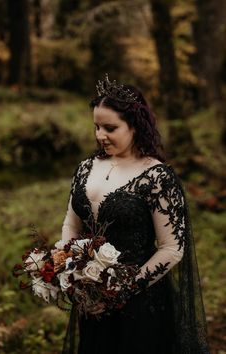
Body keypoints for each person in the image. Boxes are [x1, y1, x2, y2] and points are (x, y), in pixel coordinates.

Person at [59, 74, 210, 354]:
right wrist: (70, 267)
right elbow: (71, 222)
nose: (99, 135)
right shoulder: (85, 167)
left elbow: (172, 248)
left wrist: (121, 291)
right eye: (96, 127)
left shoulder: (157, 176)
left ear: (135, 126)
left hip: (141, 303)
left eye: (110, 128)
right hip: (91, 304)